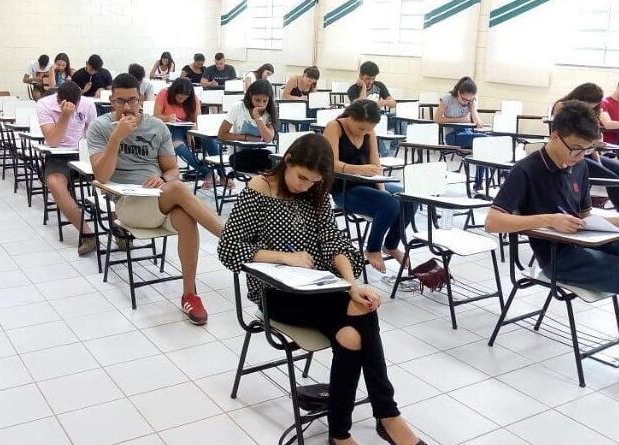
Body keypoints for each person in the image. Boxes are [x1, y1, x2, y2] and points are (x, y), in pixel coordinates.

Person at [217, 134, 426, 445]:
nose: (305, 186)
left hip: (317, 286)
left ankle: (344, 431)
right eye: (301, 177)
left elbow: (333, 242)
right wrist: (284, 257)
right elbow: (229, 249)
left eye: (313, 181)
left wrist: (353, 286)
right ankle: (384, 417)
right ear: (287, 161)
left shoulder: (315, 193)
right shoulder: (256, 192)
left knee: (354, 327)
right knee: (356, 328)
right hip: (275, 291)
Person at [87, 73, 224, 325]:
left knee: (185, 215)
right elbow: (102, 176)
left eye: (132, 100)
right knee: (180, 190)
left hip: (157, 198)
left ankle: (190, 294)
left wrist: (164, 179)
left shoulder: (156, 126)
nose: (127, 107)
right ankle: (231, 238)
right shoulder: (100, 127)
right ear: (111, 101)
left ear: (141, 99)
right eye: (120, 101)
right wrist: (116, 137)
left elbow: (172, 170)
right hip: (124, 203)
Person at [485, 100, 619, 298]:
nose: (580, 156)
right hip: (558, 256)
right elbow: (492, 223)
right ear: (554, 137)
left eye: (587, 150)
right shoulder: (526, 170)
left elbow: (585, 218)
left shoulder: (580, 165)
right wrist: (549, 219)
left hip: (587, 241)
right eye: (576, 149)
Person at [325, 100, 415, 273]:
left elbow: (375, 164)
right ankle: (372, 248)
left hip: (367, 183)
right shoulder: (334, 127)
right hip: (343, 189)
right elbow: (330, 163)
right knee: (389, 203)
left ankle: (390, 245)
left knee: (408, 197)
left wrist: (381, 188)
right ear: (350, 117)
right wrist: (358, 169)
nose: (364, 132)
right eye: (360, 128)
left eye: (368, 129)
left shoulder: (369, 131)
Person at [552, 83, 619, 218]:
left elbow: (593, 137)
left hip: (589, 151)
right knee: (612, 178)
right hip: (574, 153)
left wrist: (598, 157)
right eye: (590, 104)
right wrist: (592, 144)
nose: (592, 107)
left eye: (594, 105)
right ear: (581, 98)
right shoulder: (563, 106)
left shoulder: (591, 110)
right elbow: (569, 136)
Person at [36, 81, 98, 255]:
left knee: (110, 174)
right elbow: (53, 141)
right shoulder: (44, 105)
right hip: (57, 155)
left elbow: (94, 136)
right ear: (58, 100)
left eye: (75, 104)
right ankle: (87, 233)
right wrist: (64, 116)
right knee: (54, 183)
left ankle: (120, 232)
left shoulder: (88, 104)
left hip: (82, 152)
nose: (72, 106)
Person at [153, 78, 224, 189]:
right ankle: (207, 172)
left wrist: (191, 132)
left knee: (210, 139)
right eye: (179, 97)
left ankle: (223, 174)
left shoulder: (192, 98)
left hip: (191, 128)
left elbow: (198, 119)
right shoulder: (164, 93)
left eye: (185, 98)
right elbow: (156, 116)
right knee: (179, 147)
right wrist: (168, 118)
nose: (182, 100)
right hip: (171, 128)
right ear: (174, 92)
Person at [434, 76, 486, 190]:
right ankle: (478, 183)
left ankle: (479, 183)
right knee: (483, 140)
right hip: (453, 135)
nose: (466, 102)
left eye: (469, 100)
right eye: (464, 99)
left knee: (485, 143)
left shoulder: (470, 102)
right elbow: (437, 119)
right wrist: (458, 120)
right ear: (458, 92)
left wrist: (473, 108)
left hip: (466, 132)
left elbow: (479, 124)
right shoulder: (448, 98)